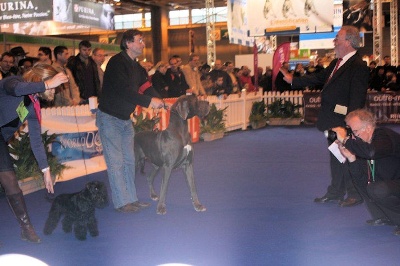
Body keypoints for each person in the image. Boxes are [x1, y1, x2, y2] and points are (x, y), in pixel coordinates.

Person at [280, 25, 369, 207]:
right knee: (336, 157)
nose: (334, 41)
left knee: (349, 155)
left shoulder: (358, 66)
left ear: (349, 42)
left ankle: (355, 194)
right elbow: (318, 78)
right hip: (331, 119)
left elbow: (357, 98)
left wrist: (350, 124)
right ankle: (335, 192)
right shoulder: (337, 63)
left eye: (338, 38)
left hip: (344, 121)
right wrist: (293, 80)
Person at [96, 29, 164, 213]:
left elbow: (146, 86)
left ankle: (131, 199)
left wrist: (162, 102)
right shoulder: (117, 63)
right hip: (109, 118)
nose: (143, 43)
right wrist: (150, 102)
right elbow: (124, 91)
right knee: (116, 162)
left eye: (143, 40)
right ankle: (121, 202)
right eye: (139, 40)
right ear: (128, 43)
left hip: (125, 120)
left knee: (129, 161)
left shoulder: (136, 67)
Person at [0, 63, 68, 243]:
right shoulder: (13, 82)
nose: (54, 92)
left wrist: (45, 170)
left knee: (10, 181)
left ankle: (26, 228)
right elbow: (17, 90)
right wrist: (47, 85)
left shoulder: (34, 105)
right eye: (53, 86)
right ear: (42, 79)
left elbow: (36, 139)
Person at [333, 109, 400, 236]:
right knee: (366, 185)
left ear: (368, 128)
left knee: (377, 189)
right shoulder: (364, 145)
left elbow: (371, 152)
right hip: (393, 184)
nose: (353, 136)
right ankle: (384, 216)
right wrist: (351, 158)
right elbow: (361, 180)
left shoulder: (384, 135)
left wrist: (345, 140)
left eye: (355, 131)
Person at [67, 40, 101, 104]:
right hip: (80, 97)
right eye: (84, 50)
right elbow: (70, 82)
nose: (87, 52)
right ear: (79, 50)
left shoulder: (92, 62)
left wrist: (98, 95)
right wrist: (76, 96)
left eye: (89, 50)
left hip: (93, 97)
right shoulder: (73, 63)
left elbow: (96, 80)